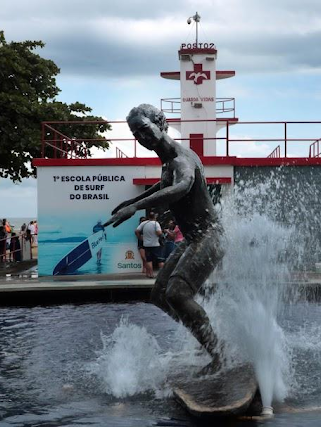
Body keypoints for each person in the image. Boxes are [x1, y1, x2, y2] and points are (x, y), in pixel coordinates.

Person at [104, 104, 225, 375]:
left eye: (145, 130)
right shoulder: (168, 161)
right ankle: (203, 335)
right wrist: (133, 199)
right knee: (159, 295)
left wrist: (136, 207)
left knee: (177, 293)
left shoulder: (181, 159)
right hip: (194, 238)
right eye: (136, 134)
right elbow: (165, 185)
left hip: (210, 236)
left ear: (161, 124)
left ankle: (219, 354)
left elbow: (181, 187)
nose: (142, 138)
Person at [136, 212, 164, 278]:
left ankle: (150, 274)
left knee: (149, 260)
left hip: (147, 245)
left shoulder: (144, 223)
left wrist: (140, 237)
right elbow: (159, 232)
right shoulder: (155, 223)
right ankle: (162, 275)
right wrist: (161, 234)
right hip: (155, 245)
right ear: (154, 217)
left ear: (148, 217)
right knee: (160, 260)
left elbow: (136, 231)